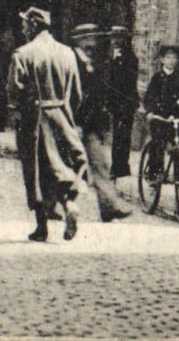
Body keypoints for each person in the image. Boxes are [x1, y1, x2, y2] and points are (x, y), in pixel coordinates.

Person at [8, 5, 86, 242]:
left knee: (36, 172)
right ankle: (69, 203)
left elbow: (13, 92)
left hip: (35, 121)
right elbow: (77, 95)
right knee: (62, 166)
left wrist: (19, 117)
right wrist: (66, 114)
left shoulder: (22, 54)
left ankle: (42, 227)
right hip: (62, 116)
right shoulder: (68, 53)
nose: (22, 28)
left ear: (33, 25)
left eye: (24, 24)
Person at [71, 23, 131, 221]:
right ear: (79, 40)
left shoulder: (95, 62)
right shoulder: (70, 61)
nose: (93, 42)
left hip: (92, 124)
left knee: (101, 165)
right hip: (74, 123)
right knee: (66, 166)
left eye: (95, 38)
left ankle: (109, 206)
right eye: (89, 38)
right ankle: (57, 206)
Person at [142, 44, 179, 196]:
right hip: (160, 118)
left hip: (177, 119)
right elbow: (149, 97)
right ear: (162, 60)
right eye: (168, 57)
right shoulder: (157, 78)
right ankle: (154, 176)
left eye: (174, 57)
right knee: (158, 146)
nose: (171, 60)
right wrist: (150, 111)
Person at [106, 25, 139, 179]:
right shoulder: (111, 56)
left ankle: (120, 167)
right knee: (117, 134)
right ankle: (117, 166)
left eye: (118, 37)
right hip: (115, 102)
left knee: (123, 135)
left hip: (126, 102)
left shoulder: (130, 59)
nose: (115, 40)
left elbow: (128, 83)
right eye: (114, 37)